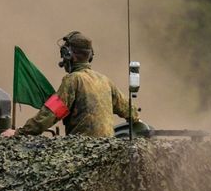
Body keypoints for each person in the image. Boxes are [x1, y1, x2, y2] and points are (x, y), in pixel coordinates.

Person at [11, 31, 147, 138]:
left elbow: (51, 114)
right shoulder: (105, 80)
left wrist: (20, 133)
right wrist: (137, 120)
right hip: (107, 151)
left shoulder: (73, 80)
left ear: (69, 55)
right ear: (90, 55)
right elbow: (129, 110)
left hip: (82, 152)